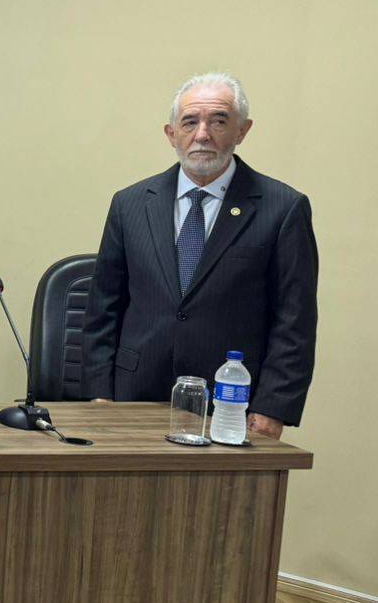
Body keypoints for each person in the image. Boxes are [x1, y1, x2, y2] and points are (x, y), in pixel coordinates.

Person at [83, 72, 316, 437]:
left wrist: (273, 407)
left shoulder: (283, 209)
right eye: (190, 122)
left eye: (219, 121)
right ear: (171, 133)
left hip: (230, 406)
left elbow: (295, 321)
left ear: (242, 131)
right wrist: (99, 395)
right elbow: (103, 310)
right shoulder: (129, 205)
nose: (203, 134)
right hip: (133, 400)